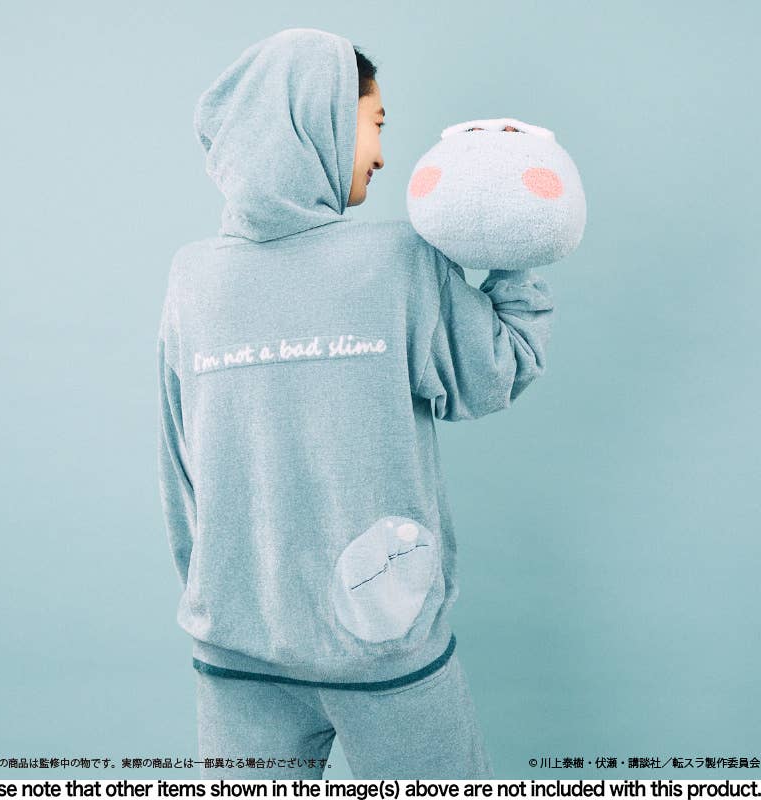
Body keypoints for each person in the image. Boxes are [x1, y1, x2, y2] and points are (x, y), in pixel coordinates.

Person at [157, 27, 554, 779]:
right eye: (375, 124)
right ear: (327, 122)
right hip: (383, 641)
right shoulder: (397, 259)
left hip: (234, 642)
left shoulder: (192, 279)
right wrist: (519, 243)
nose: (380, 154)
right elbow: (496, 372)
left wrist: (215, 594)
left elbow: (178, 470)